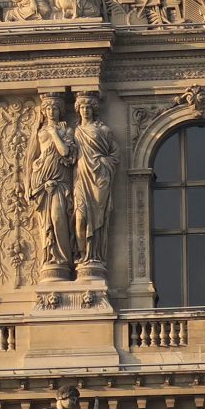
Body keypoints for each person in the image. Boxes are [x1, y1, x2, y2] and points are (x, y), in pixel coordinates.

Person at [22, 89, 78, 279]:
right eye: (48, 108)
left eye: (55, 108)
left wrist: (54, 133)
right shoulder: (39, 131)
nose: (51, 111)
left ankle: (63, 260)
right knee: (46, 223)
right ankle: (51, 259)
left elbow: (64, 152)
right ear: (43, 111)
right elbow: (32, 157)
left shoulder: (66, 130)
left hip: (61, 181)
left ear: (61, 110)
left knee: (59, 219)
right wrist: (29, 185)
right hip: (42, 182)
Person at [71, 90, 117, 279]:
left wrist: (104, 164)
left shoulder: (104, 131)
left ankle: (94, 256)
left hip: (99, 178)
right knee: (80, 218)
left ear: (94, 109)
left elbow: (115, 155)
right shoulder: (74, 131)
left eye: (89, 107)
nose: (85, 110)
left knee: (98, 220)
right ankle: (82, 255)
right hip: (80, 178)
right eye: (82, 107)